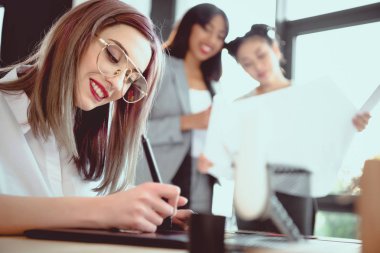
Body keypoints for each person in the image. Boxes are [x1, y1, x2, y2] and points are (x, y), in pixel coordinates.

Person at [0, 0, 192, 235]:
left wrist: (144, 210)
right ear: (76, 33)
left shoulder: (94, 143)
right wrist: (103, 211)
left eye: (131, 78)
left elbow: (101, 203)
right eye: (113, 56)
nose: (117, 83)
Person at [198, 24, 371, 234]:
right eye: (247, 64)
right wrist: (214, 157)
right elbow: (229, 155)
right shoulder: (239, 107)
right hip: (251, 190)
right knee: (249, 246)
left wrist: (352, 125)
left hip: (298, 191)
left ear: (276, 49)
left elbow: (328, 139)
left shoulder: (311, 98)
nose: (258, 67)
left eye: (261, 55)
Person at [136, 3, 229, 213]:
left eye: (220, 35)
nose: (212, 40)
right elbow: (133, 129)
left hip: (203, 179)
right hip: (160, 172)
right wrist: (189, 122)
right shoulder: (160, 66)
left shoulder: (214, 84)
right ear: (190, 26)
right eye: (207, 28)